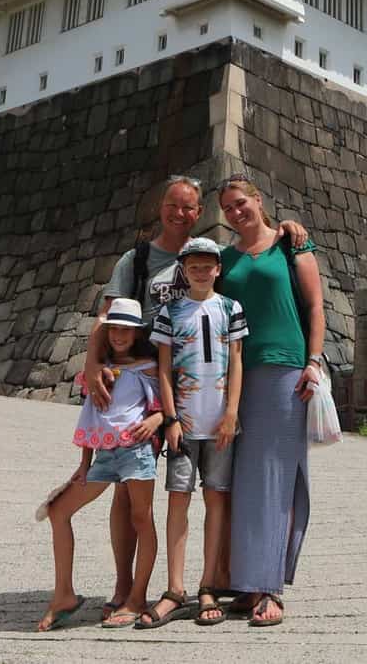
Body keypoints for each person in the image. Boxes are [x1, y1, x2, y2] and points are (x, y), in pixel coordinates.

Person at [85, 175, 309, 619]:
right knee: (130, 492)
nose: (181, 213)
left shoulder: (218, 260)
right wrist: (93, 363)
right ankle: (128, 589)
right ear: (160, 206)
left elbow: (254, 267)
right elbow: (107, 313)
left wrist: (287, 227)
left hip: (191, 399)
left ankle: (216, 580)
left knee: (214, 490)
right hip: (139, 386)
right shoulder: (140, 258)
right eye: (174, 204)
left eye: (190, 208)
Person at [217, 176, 326, 628]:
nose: (235, 212)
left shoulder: (292, 244)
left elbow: (316, 306)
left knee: (277, 477)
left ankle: (269, 587)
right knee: (240, 479)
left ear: (258, 200)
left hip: (285, 369)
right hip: (234, 373)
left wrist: (314, 362)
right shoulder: (222, 260)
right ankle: (245, 582)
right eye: (227, 208)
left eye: (240, 203)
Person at [137, 237, 247, 629]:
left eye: (208, 265)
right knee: (178, 503)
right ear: (184, 269)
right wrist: (169, 418)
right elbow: (162, 368)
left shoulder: (231, 308)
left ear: (218, 268)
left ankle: (208, 584)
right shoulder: (170, 312)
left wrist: (232, 413)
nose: (201, 271)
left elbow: (236, 361)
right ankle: (175, 588)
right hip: (183, 424)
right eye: (194, 265)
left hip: (220, 424)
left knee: (217, 502)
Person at [36, 298, 163, 632]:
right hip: (104, 455)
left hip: (136, 451)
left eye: (126, 329)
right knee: (58, 510)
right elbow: (90, 413)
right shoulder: (95, 370)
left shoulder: (149, 364)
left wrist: (158, 419)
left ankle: (137, 597)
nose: (119, 335)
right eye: (113, 329)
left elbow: (170, 399)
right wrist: (83, 463)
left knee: (141, 518)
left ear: (136, 333)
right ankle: (63, 593)